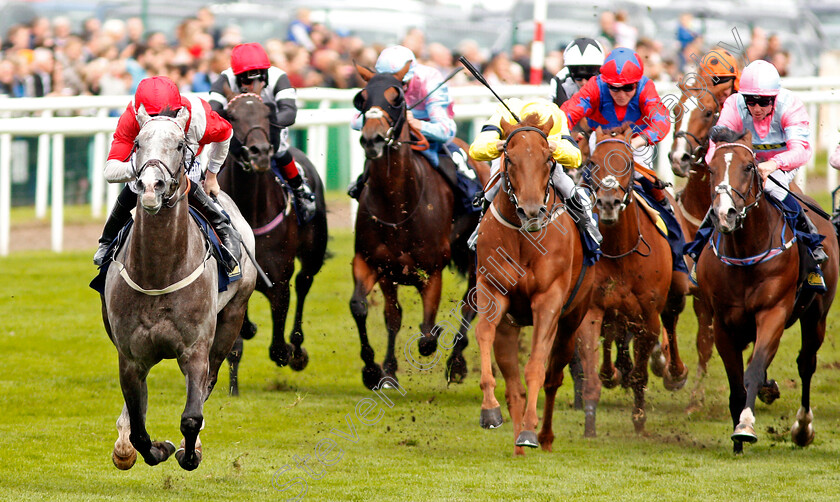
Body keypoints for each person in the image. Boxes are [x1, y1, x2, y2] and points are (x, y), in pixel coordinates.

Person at [685, 60, 828, 290]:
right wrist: (718, 164)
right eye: (751, 101)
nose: (756, 107)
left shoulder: (790, 105)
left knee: (773, 189)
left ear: (774, 97)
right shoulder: (734, 104)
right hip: (744, 162)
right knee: (723, 198)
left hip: (780, 163)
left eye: (763, 101)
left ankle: (812, 251)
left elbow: (801, 150)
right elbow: (716, 143)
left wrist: (773, 164)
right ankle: (698, 252)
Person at [93, 76, 240, 274]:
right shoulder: (132, 116)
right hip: (147, 165)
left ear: (178, 111)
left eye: (164, 115)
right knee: (134, 185)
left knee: (185, 182)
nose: (158, 123)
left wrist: (212, 174)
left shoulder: (198, 115)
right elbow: (110, 171)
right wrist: (143, 170)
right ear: (141, 113)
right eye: (151, 117)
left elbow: (226, 134)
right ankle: (107, 240)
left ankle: (223, 229)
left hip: (186, 162)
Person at [561, 47, 686, 273]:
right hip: (601, 143)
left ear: (637, 83)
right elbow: (568, 113)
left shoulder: (646, 87)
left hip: (635, 145)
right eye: (614, 88)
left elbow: (661, 121)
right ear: (605, 83)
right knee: (579, 190)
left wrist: (636, 144)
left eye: (628, 88)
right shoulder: (595, 86)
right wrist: (564, 135)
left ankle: (678, 262)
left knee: (653, 188)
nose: (620, 94)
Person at [467, 98, 601, 262]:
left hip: (543, 159)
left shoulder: (555, 115)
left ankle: (587, 225)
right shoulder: (505, 111)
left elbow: (575, 158)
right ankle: (481, 226)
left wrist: (554, 147)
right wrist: (501, 145)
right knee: (493, 185)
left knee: (564, 183)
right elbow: (476, 149)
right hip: (511, 159)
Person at [348, 45, 479, 213]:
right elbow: (355, 121)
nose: (399, 86)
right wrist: (397, 122)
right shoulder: (379, 84)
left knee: (459, 167)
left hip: (429, 139)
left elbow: (446, 131)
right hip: (394, 137)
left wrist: (417, 124)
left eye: (402, 82)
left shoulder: (429, 80)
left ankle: (471, 203)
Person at [208, 42, 316, 223]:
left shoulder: (278, 77)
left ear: (266, 73)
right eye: (246, 80)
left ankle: (299, 189)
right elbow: (213, 113)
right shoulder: (224, 79)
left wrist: (261, 123)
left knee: (280, 149)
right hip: (238, 128)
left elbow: (289, 113)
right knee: (214, 153)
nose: (252, 85)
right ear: (236, 76)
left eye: (258, 79)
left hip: (268, 123)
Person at [550, 38, 605, 109]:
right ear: (570, 72)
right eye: (578, 77)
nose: (583, 82)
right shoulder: (560, 80)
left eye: (589, 77)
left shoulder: (607, 81)